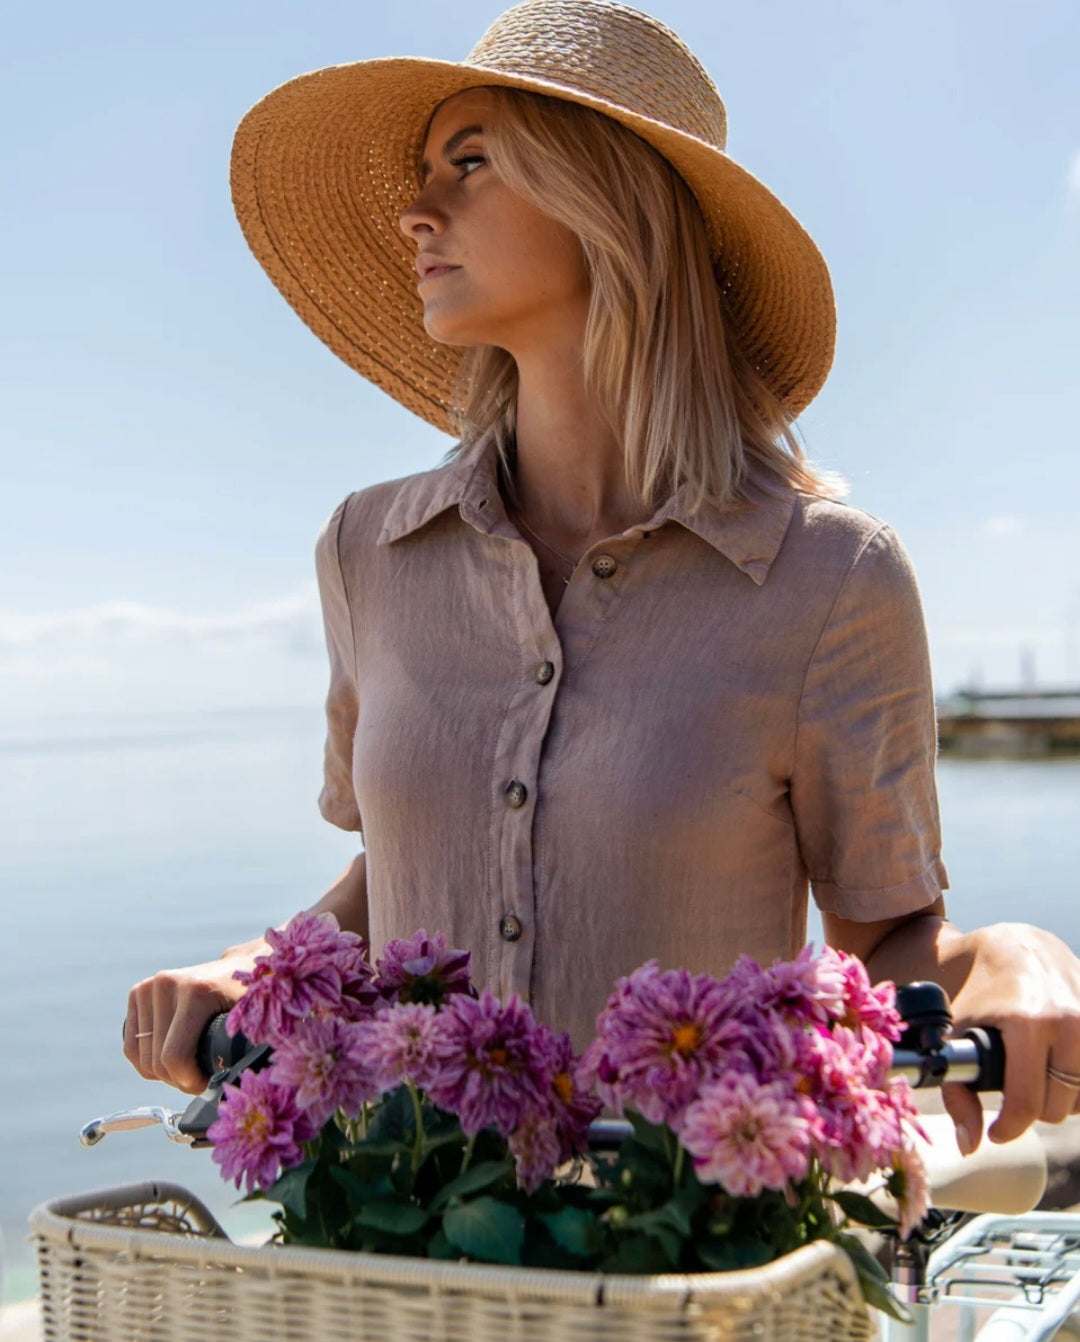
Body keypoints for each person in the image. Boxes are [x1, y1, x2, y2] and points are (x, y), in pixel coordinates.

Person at [126, 0, 1080, 1158]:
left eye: (470, 163)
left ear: (605, 202)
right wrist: (260, 968)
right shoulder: (368, 552)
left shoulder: (832, 576)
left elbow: (886, 940)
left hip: (704, 1243)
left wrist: (1020, 953)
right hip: (396, 1237)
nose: (417, 212)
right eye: (426, 174)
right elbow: (398, 875)